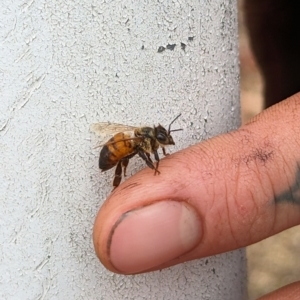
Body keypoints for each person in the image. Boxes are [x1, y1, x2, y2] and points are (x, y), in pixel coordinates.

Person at [93, 1, 300, 299]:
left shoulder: (144, 138)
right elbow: (134, 151)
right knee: (125, 156)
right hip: (121, 154)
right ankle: (118, 188)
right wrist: (154, 167)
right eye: (163, 140)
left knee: (126, 155)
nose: (165, 142)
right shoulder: (141, 142)